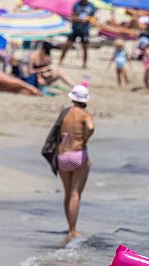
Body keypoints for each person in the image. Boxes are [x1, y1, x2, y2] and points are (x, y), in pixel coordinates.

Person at [58, 85, 94, 239]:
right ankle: (73, 229)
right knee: (75, 194)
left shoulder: (64, 113)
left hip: (62, 154)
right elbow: (91, 127)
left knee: (67, 193)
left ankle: (69, 227)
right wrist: (84, 138)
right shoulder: (85, 114)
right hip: (77, 154)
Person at [59, 0, 97, 69]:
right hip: (75, 28)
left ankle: (84, 64)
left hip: (84, 30)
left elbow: (93, 18)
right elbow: (73, 15)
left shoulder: (91, 6)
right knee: (67, 45)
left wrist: (88, 20)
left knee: (85, 47)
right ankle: (60, 60)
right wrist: (79, 19)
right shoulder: (76, 4)